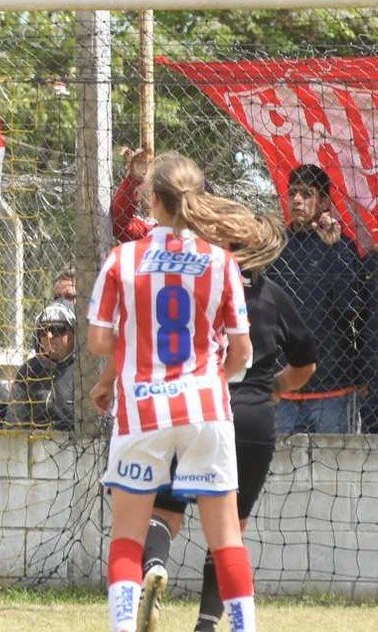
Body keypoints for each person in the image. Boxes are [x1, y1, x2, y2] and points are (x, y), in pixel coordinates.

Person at [86, 151, 280, 632]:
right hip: (206, 410)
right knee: (227, 536)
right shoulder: (221, 262)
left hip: (142, 411)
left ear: (154, 201)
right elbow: (241, 350)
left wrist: (122, 363)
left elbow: (98, 340)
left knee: (128, 537)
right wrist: (214, 376)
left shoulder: (123, 259)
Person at [133, 226, 315, 632]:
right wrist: (275, 388)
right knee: (230, 532)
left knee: (165, 511)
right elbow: (306, 363)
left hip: (195, 407)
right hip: (251, 419)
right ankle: (207, 624)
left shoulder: (196, 286)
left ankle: (156, 565)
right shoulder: (274, 296)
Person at [267, 163, 374, 436]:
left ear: (324, 200)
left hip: (332, 385)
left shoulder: (342, 246)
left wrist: (335, 248)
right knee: (279, 473)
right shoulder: (275, 247)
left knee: (336, 474)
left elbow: (352, 306)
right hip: (284, 383)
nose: (298, 200)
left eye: (306, 193)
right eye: (292, 194)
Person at [7, 302, 79, 430]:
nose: (49, 336)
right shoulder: (29, 370)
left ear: (73, 333)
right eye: (43, 331)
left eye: (57, 329)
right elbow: (14, 422)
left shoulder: (83, 369)